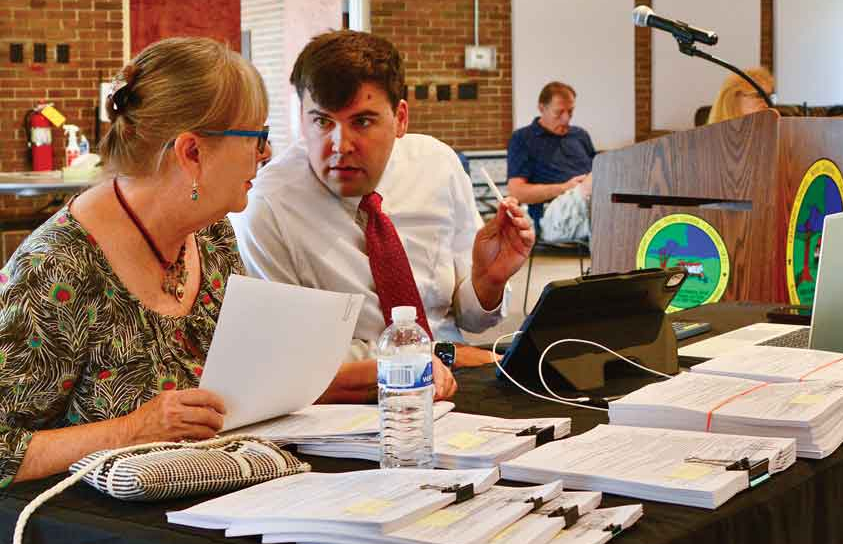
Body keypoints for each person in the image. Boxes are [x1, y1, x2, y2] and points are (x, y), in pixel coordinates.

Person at [0, 38, 272, 486]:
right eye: (257, 138)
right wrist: (132, 430)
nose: (264, 154)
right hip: (95, 543)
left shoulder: (211, 234)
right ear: (192, 152)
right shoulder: (57, 268)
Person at [232, 30, 534, 403]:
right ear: (300, 120)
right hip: (352, 405)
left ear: (401, 119)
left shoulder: (437, 166)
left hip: (458, 382)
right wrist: (436, 357)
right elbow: (289, 361)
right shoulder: (268, 206)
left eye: (361, 122)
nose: (340, 146)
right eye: (322, 122)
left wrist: (486, 282)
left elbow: (470, 320)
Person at [505, 81, 597, 238]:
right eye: (559, 113)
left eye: (570, 112)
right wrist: (565, 187)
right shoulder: (523, 138)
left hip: (592, 203)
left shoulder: (580, 135)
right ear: (542, 108)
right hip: (553, 212)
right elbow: (516, 192)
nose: (566, 119)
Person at [706, 67, 775, 124]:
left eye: (769, 97)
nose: (767, 104)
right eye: (759, 96)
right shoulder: (708, 138)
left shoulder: (774, 134)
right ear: (734, 99)